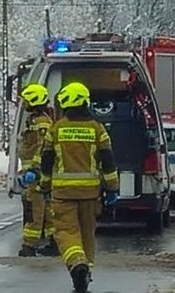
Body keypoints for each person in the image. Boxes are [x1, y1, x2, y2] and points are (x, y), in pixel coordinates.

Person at [39, 82, 119, 293]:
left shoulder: (56, 129)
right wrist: (112, 188)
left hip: (63, 194)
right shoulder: (97, 128)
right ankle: (85, 271)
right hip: (91, 194)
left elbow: (46, 161)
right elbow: (108, 161)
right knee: (87, 235)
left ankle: (77, 264)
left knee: (66, 233)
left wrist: (44, 184)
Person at [16, 83, 57, 257]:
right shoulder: (36, 120)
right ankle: (54, 241)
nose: (24, 104)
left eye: (26, 100)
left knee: (34, 209)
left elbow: (42, 148)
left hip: (37, 174)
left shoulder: (41, 123)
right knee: (47, 208)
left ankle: (29, 246)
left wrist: (34, 169)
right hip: (36, 173)